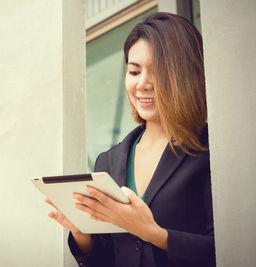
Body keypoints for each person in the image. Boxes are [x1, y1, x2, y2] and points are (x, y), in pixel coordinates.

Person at [45, 12, 215, 267]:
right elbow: (105, 260)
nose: (142, 84)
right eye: (134, 71)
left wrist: (154, 234)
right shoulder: (108, 162)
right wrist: (82, 234)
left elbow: (228, 249)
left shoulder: (212, 150)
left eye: (157, 71)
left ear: (185, 74)